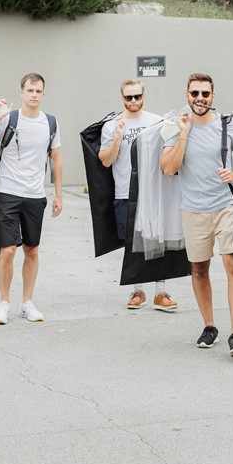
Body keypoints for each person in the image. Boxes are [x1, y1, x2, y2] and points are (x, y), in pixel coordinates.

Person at [160, 73, 233, 357]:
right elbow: (168, 168)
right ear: (187, 95)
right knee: (199, 269)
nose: (200, 98)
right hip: (193, 209)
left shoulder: (229, 124)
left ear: (213, 96)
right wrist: (185, 134)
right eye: (194, 93)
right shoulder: (174, 125)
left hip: (225, 206)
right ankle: (209, 326)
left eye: (205, 94)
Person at [0, 73, 62, 325]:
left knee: (31, 249)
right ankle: (4, 303)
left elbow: (56, 158)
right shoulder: (9, 118)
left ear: (43, 94)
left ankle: (27, 303)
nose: (34, 95)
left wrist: (58, 194)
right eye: (30, 90)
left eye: (38, 91)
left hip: (35, 195)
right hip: (7, 193)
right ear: (21, 92)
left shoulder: (50, 123)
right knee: (8, 250)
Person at [99, 79, 178, 312]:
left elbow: (172, 151)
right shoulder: (112, 125)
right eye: (128, 97)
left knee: (158, 241)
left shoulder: (158, 122)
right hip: (125, 192)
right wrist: (117, 137)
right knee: (132, 244)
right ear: (122, 98)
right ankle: (137, 290)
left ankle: (160, 292)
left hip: (154, 191)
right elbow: (105, 161)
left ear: (144, 96)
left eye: (137, 96)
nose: (133, 101)